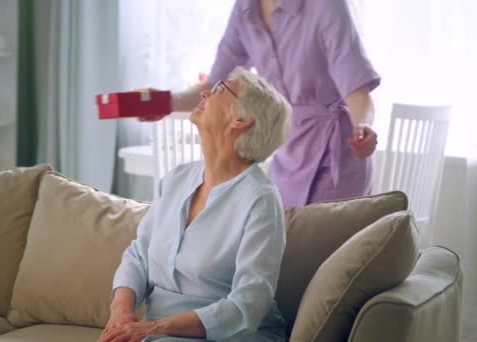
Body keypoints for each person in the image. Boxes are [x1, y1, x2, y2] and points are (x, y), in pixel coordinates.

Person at [100, 67, 292, 342]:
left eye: (219, 90)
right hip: (159, 334)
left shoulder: (260, 200)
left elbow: (247, 305)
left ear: (241, 119)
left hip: (230, 336)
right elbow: (139, 256)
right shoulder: (177, 179)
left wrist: (153, 327)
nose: (204, 92)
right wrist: (121, 312)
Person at [150, 0, 380, 208]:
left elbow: (356, 87)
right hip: (288, 153)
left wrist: (362, 126)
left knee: (326, 247)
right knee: (284, 244)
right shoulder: (245, 9)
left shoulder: (325, 5)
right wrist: (166, 103)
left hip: (336, 154)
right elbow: (216, 85)